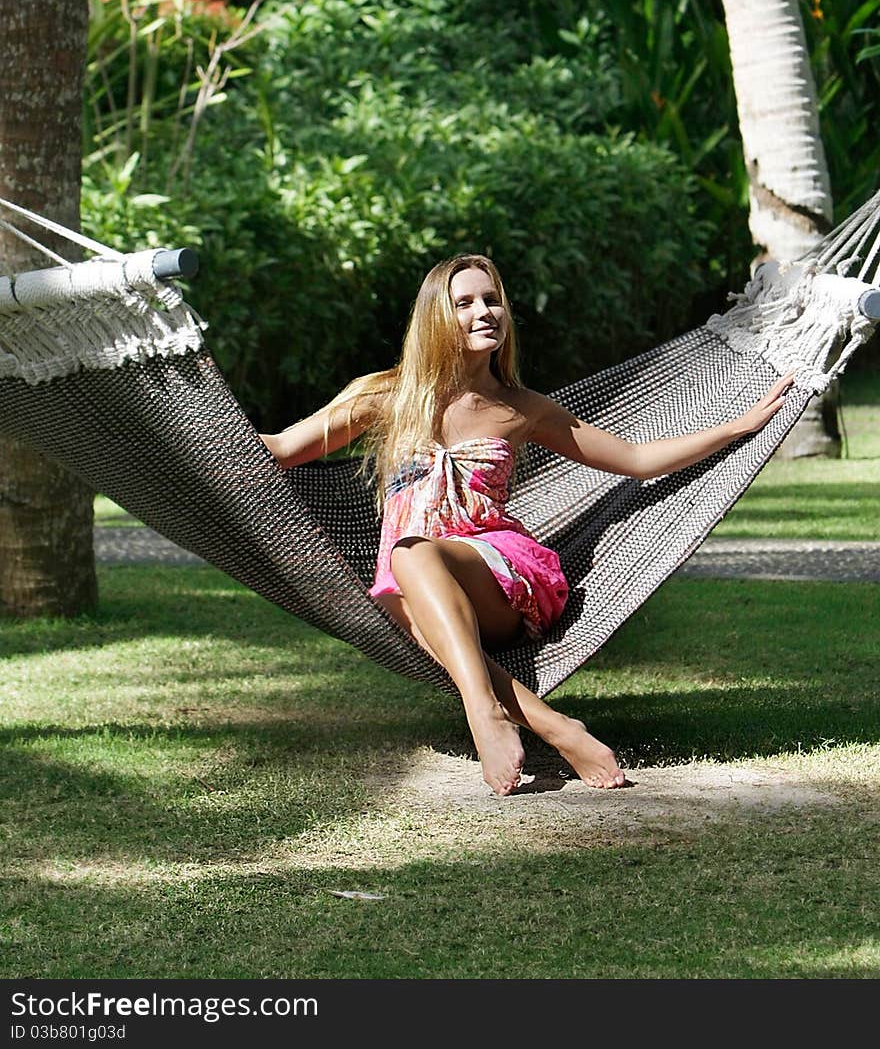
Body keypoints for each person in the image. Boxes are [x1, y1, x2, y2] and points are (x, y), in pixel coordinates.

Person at [261, 254, 792, 797]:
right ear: (435, 318)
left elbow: (636, 459)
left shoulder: (521, 408)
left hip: (499, 576)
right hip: (410, 589)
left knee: (409, 554)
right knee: (401, 590)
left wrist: (739, 426)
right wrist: (186, 426)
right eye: (464, 302)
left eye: (492, 300)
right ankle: (551, 725)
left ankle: (485, 715)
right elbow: (278, 450)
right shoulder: (385, 398)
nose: (484, 311)